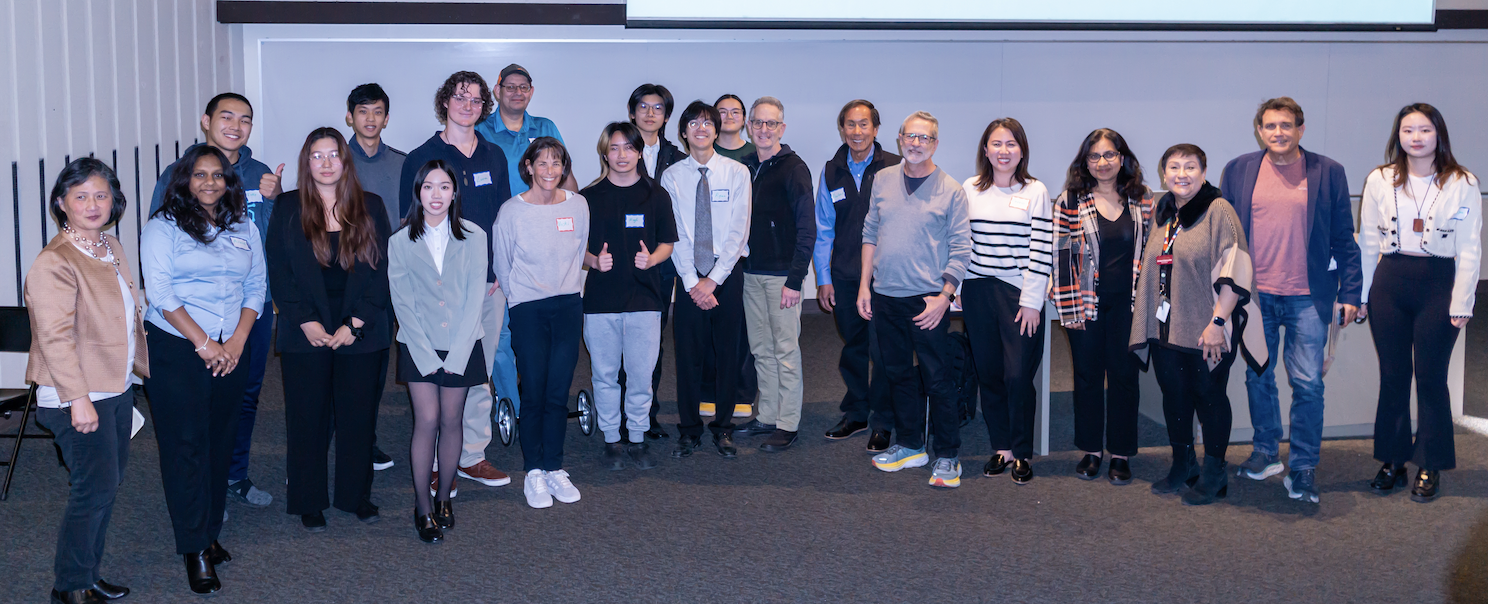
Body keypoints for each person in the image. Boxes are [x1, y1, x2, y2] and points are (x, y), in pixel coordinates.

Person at [1220, 97, 1362, 505]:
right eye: (1269, 126)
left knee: (1308, 385)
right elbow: (1227, 235)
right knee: (1257, 378)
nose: (1277, 132)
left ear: (1301, 129)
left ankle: (1302, 466)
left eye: (1286, 125)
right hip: (1256, 296)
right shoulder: (1240, 170)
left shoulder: (1328, 171)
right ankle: (1266, 452)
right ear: (1259, 130)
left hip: (1308, 298)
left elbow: (1343, 238)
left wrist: (1351, 292)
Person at [141, 146, 266, 594]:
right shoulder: (162, 227)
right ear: (184, 181)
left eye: (218, 175)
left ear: (229, 182)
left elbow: (256, 286)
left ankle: (211, 533)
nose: (210, 182)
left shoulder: (243, 226)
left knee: (219, 442)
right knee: (186, 447)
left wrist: (235, 342)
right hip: (179, 350)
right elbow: (159, 292)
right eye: (199, 175)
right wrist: (205, 342)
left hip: (231, 349)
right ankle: (193, 547)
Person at [149, 92, 280, 510]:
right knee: (195, 409)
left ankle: (233, 474)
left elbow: (264, 243)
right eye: (227, 116)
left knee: (243, 396)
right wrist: (204, 340)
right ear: (206, 120)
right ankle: (201, 489)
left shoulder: (259, 173)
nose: (235, 126)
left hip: (248, 309)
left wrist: (274, 201)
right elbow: (161, 242)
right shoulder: (176, 172)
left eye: (245, 120)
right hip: (191, 321)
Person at [27, 159, 147, 604]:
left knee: (105, 487)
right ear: (61, 204)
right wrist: (77, 400)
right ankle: (69, 586)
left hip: (114, 388)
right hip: (77, 396)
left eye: (101, 195)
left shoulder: (110, 245)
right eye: (80, 196)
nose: (93, 205)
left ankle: (87, 575)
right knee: (91, 491)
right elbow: (55, 339)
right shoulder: (55, 261)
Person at [267, 128, 393, 531]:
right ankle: (308, 499)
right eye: (317, 156)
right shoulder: (288, 207)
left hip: (361, 328)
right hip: (306, 330)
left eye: (333, 155)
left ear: (345, 161)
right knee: (308, 417)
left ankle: (355, 496)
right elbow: (280, 273)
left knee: (358, 418)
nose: (325, 163)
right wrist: (306, 321)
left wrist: (354, 325)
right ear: (307, 163)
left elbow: (382, 272)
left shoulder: (369, 206)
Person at [1131, 144, 1268, 507]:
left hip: (1207, 328)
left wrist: (1218, 323)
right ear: (1164, 175)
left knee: (1209, 399)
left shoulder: (1218, 210)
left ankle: (1214, 473)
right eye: (1174, 167)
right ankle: (1183, 464)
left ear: (1204, 172)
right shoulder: (1165, 212)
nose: (1182, 174)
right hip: (1168, 329)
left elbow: (1236, 269)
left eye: (1190, 167)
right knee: (1174, 397)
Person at [1358, 103, 1480, 503]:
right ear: (1399, 136)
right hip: (1390, 282)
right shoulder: (1380, 179)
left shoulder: (1462, 181)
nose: (1416, 137)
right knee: (1393, 376)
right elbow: (1368, 241)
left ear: (1438, 134)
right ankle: (1392, 458)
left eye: (1424, 130)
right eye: (1408, 130)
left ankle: (1430, 462)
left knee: (1430, 379)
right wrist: (1361, 296)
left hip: (1438, 285)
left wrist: (1462, 301)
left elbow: (1470, 248)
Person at [401, 71, 515, 492]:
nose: (468, 105)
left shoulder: (494, 156)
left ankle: (472, 456)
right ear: (444, 102)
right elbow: (408, 225)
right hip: (438, 290)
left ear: (485, 106)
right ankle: (433, 459)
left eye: (476, 99)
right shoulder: (422, 156)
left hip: (486, 286)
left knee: (477, 372)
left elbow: (503, 220)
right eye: (459, 97)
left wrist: (499, 273)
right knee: (436, 373)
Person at [859, 111, 972, 489]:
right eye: (911, 136)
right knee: (897, 374)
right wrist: (864, 287)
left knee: (937, 379)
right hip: (885, 295)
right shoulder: (883, 180)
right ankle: (910, 445)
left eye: (925, 138)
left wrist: (944, 297)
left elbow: (960, 249)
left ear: (935, 144)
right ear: (899, 139)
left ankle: (948, 454)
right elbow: (870, 232)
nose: (916, 143)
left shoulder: (951, 189)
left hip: (927, 301)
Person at [389, 159, 488, 542]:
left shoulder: (474, 235)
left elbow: (475, 296)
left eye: (444, 187)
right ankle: (423, 504)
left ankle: (445, 497)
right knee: (426, 421)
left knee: (452, 421)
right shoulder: (400, 241)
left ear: (454, 193)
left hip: (463, 343)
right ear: (418, 192)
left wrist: (459, 352)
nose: (436, 194)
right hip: (419, 344)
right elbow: (403, 302)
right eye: (428, 187)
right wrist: (427, 355)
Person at [1051, 128, 1154, 485]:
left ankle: (1121, 453)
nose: (1102, 163)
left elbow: (1153, 256)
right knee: (1087, 377)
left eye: (1109, 155)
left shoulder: (1142, 199)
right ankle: (1092, 450)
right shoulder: (1070, 201)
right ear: (1085, 162)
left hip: (1129, 304)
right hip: (1085, 304)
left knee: (1125, 378)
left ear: (1122, 158)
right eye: (1094, 156)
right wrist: (1070, 310)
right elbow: (1062, 256)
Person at [492, 138, 589, 508]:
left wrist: (570, 288)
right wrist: (518, 299)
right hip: (528, 308)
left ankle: (554, 467)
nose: (550, 170)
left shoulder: (578, 205)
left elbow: (580, 251)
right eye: (542, 163)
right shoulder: (512, 212)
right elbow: (503, 263)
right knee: (533, 388)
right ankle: (533, 470)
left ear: (565, 168)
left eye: (557, 163)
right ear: (529, 167)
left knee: (558, 387)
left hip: (567, 305)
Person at [958, 118, 1051, 485]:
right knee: (990, 373)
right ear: (985, 150)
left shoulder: (1035, 191)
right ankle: (1002, 448)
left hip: (1018, 293)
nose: (1003, 151)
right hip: (978, 290)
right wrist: (957, 290)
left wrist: (1031, 302)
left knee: (1017, 375)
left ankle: (1023, 451)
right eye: (996, 144)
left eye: (1011, 144)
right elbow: (962, 242)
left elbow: (1041, 250)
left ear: (1022, 150)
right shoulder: (970, 188)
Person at [580, 122, 676, 470]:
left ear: (639, 152)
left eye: (629, 148)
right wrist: (593, 260)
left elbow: (667, 242)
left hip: (645, 301)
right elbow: (575, 248)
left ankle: (637, 436)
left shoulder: (656, 195)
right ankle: (611, 439)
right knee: (604, 374)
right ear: (605, 152)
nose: (622, 155)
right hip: (601, 302)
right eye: (615, 148)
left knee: (640, 375)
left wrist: (652, 258)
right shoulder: (588, 198)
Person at [661, 100, 753, 459]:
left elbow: (738, 231)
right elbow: (676, 232)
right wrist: (690, 281)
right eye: (694, 123)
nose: (701, 128)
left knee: (728, 354)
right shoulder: (672, 177)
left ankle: (724, 428)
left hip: (726, 274)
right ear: (683, 132)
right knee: (688, 355)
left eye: (708, 123)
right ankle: (688, 429)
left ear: (718, 130)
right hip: (686, 276)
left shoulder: (736, 172)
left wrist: (713, 280)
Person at [816, 99, 900, 452]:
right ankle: (857, 412)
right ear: (842, 129)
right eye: (850, 125)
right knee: (853, 347)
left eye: (864, 124)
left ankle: (883, 420)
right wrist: (823, 277)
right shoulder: (832, 171)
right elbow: (824, 228)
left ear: (876, 129)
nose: (857, 131)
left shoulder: (895, 167)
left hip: (889, 277)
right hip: (846, 275)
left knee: (883, 351)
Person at [732, 97, 814, 452]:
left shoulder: (794, 168)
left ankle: (788, 422)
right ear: (749, 127)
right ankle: (766, 414)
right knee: (760, 349)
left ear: (782, 128)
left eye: (771, 124)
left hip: (782, 277)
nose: (763, 130)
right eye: (758, 123)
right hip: (751, 272)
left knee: (784, 350)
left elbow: (808, 228)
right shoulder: (745, 166)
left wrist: (796, 280)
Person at [346, 82, 404, 473]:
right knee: (338, 362)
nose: (370, 118)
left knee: (377, 363)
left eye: (377, 111)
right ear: (349, 116)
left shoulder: (403, 163)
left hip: (394, 274)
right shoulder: (334, 160)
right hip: (343, 277)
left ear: (386, 117)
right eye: (362, 111)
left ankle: (365, 440)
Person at [625, 83, 683, 441]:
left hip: (661, 263)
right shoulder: (618, 150)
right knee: (618, 338)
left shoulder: (677, 158)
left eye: (658, 108)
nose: (649, 114)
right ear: (632, 113)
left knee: (651, 340)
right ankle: (617, 411)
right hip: (623, 260)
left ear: (665, 116)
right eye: (643, 107)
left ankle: (648, 413)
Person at [701, 94, 760, 419]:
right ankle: (708, 390)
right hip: (707, 255)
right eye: (721, 112)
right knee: (710, 329)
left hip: (744, 254)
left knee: (741, 329)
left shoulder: (753, 155)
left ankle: (741, 393)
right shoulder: (703, 155)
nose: (728, 116)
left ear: (745, 119)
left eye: (735, 111)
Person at [476, 63, 577, 193]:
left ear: (531, 92)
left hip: (543, 212)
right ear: (497, 91)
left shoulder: (546, 127)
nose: (518, 92)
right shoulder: (479, 129)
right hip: (497, 212)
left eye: (524, 87)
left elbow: (566, 178)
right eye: (511, 87)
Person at [713, 93, 756, 161]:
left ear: (744, 119)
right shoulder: (706, 151)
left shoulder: (756, 152)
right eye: (723, 112)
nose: (729, 117)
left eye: (735, 112)